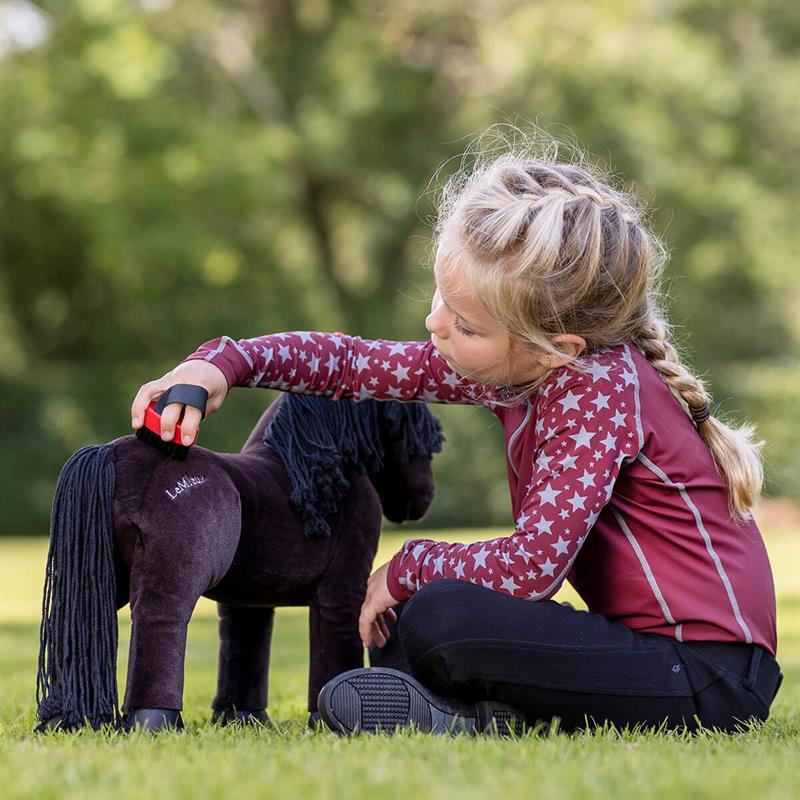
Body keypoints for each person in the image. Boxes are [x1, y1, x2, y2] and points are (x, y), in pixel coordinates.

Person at [131, 128, 781, 735]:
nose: (435, 323)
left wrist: (409, 565)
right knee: (408, 621)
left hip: (712, 677)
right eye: (442, 297)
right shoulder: (527, 368)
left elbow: (531, 570)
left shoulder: (597, 388)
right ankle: (467, 711)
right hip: (648, 656)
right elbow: (357, 366)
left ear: (558, 345)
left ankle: (470, 710)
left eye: (465, 325)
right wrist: (224, 362)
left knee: (442, 613)